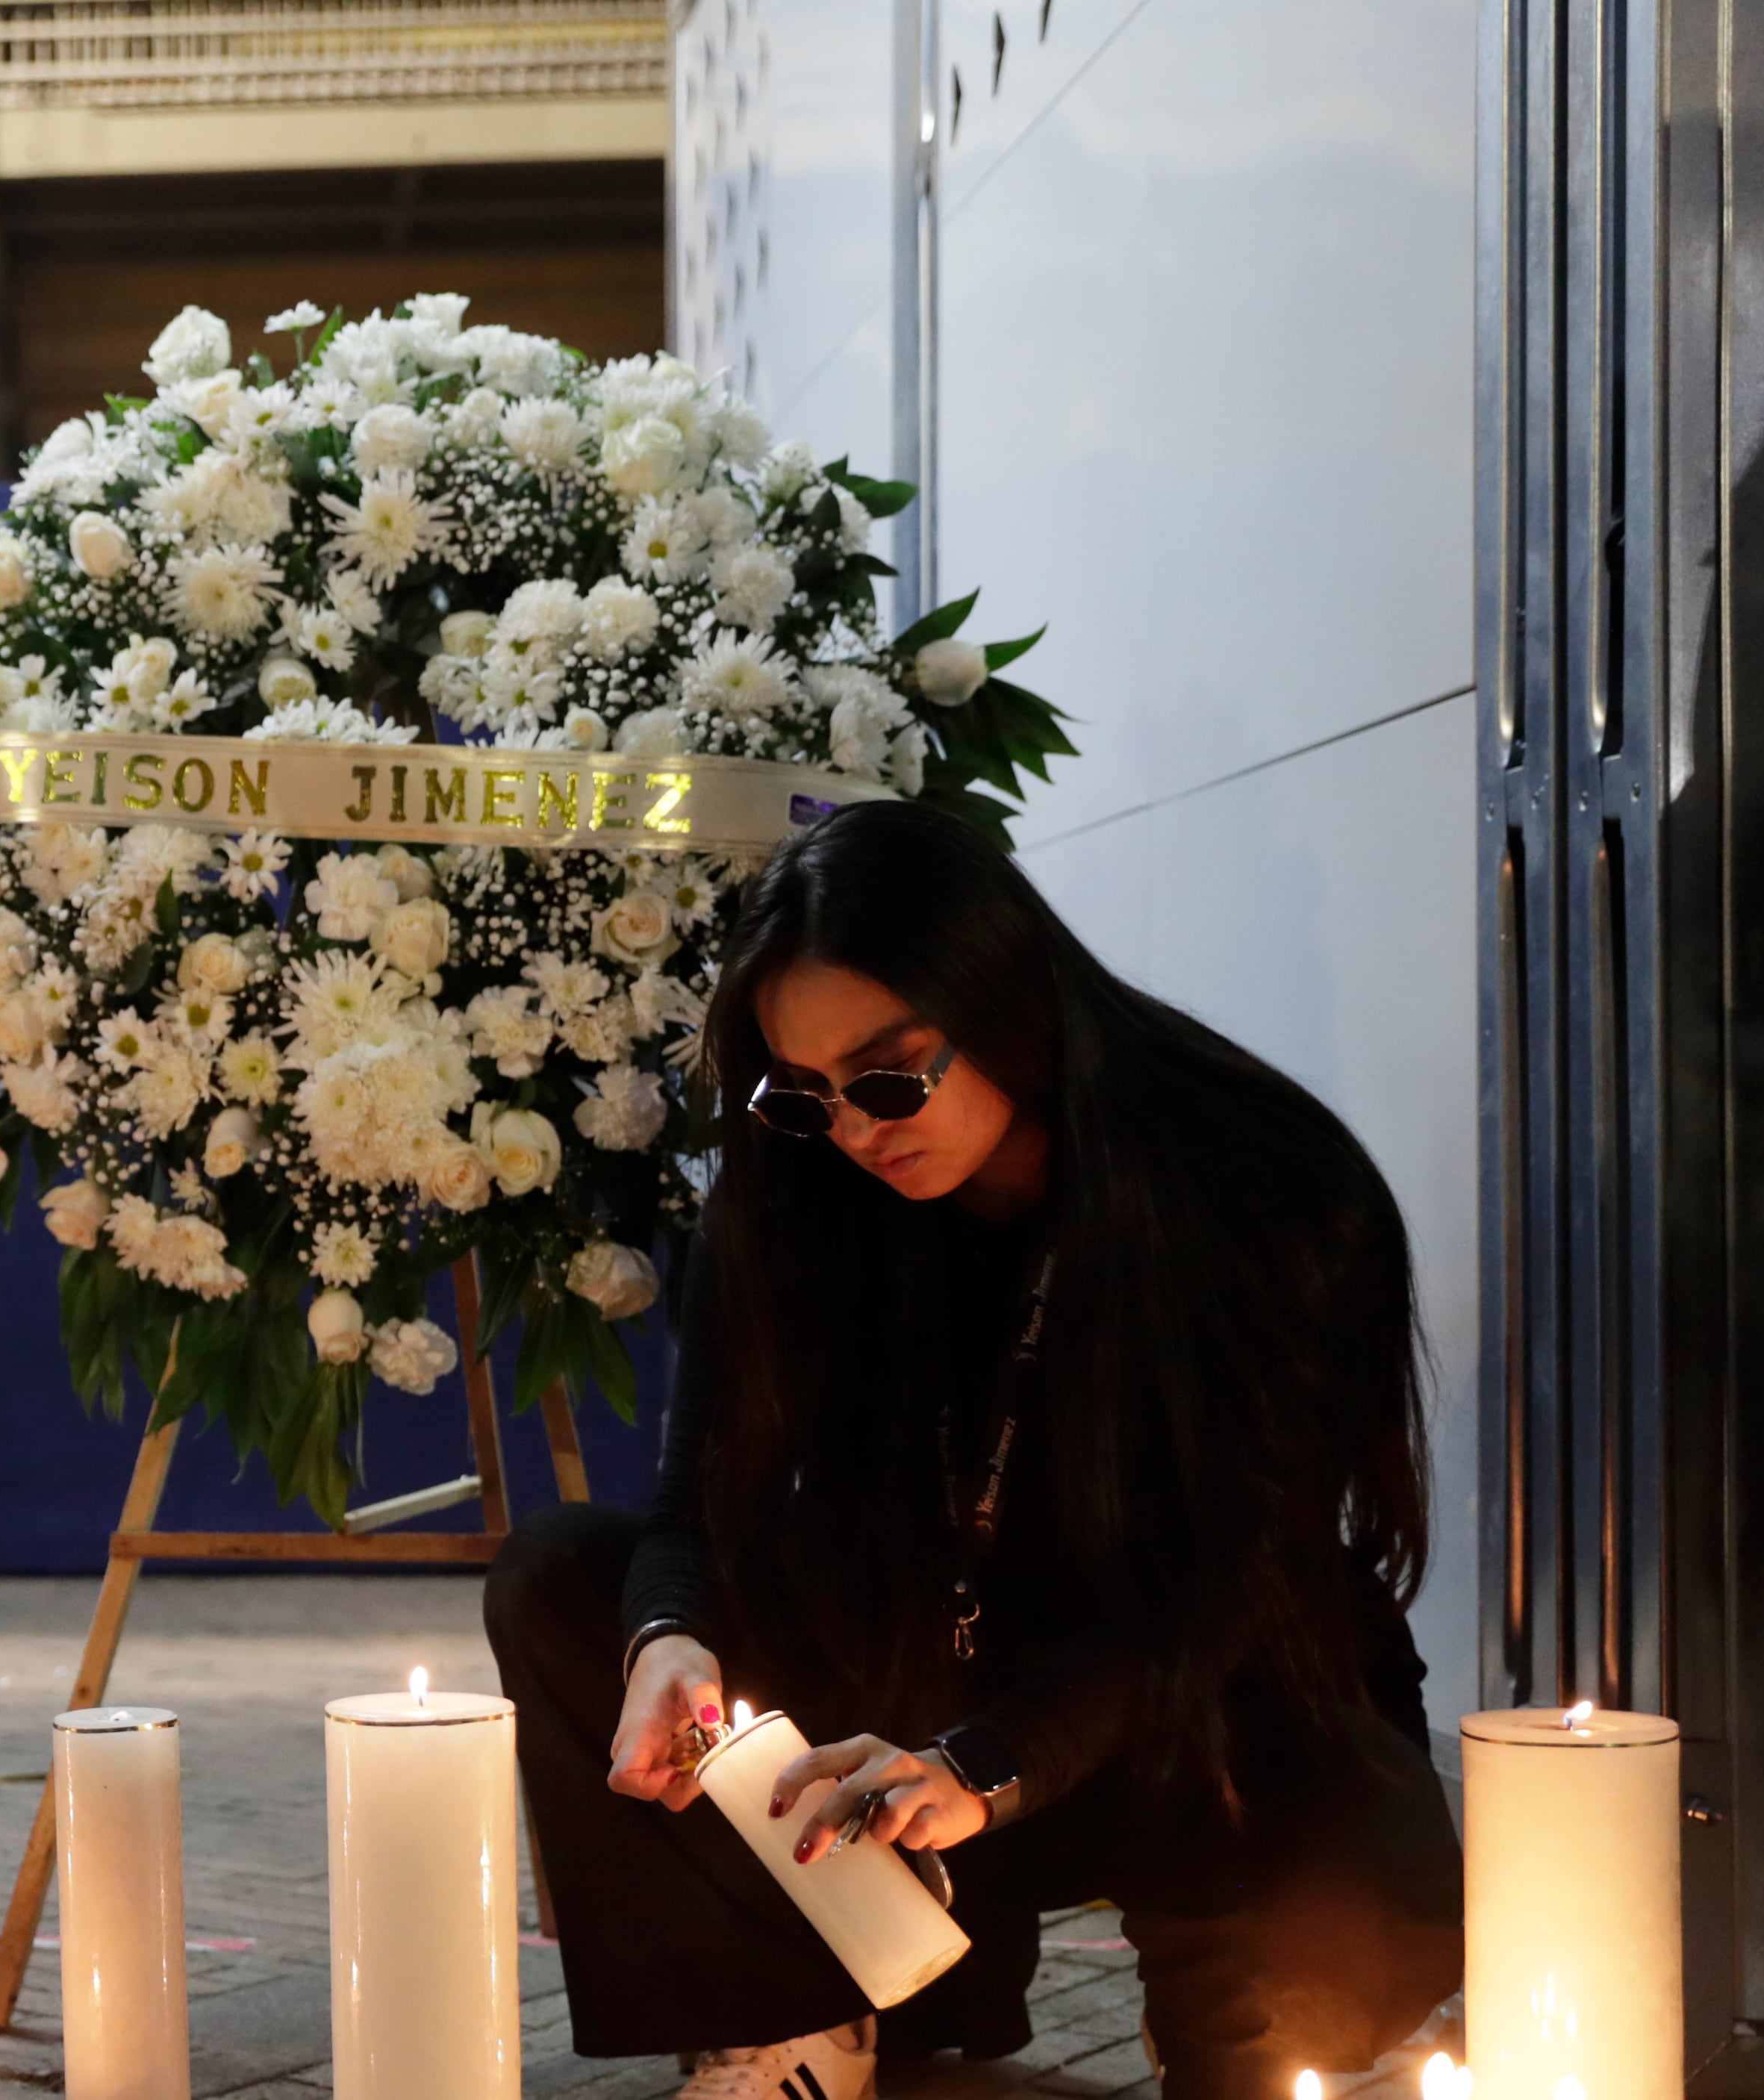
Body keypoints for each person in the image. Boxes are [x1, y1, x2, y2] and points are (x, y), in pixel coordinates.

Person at [485, 801, 1459, 2100]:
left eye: (890, 1076)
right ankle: (796, 2010)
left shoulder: (1255, 1180)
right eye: (801, 1095)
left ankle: (1229, 1987)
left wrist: (986, 1763)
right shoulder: (793, 1195)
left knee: (1282, 2013)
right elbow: (697, 1507)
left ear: (1007, 998)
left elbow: (1235, 1575)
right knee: (563, 1579)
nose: (856, 1128)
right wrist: (670, 1635)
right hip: (898, 1728)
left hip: (1187, 1707)